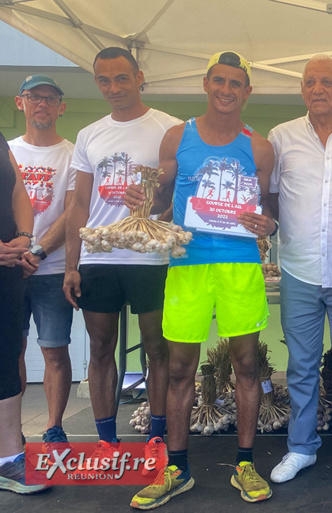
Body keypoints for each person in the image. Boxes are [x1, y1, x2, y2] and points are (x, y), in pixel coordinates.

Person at [127, 51, 276, 509]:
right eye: (219, 81)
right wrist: (142, 201)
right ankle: (177, 468)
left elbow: (269, 212)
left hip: (239, 265)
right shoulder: (178, 136)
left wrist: (268, 226)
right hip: (186, 265)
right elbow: (161, 202)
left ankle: (246, 463)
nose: (226, 90)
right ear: (206, 83)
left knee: (247, 364)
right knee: (177, 368)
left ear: (247, 92)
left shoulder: (259, 147)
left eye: (236, 83)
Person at [267, 55, 332, 488]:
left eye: (326, 82)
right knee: (301, 365)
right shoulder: (281, 138)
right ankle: (301, 447)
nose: (317, 89)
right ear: (302, 89)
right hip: (299, 269)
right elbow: (271, 197)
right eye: (309, 82)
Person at [63, 48, 176, 459]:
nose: (114, 88)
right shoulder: (89, 135)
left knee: (156, 347)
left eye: (122, 78)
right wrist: (71, 265)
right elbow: (78, 204)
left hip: (149, 255)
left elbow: (177, 195)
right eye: (104, 80)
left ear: (139, 77)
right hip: (99, 255)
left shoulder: (168, 128)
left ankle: (157, 435)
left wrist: (157, 210)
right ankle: (106, 439)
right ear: (97, 82)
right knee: (100, 348)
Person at [10, 74, 75, 447]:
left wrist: (37, 251)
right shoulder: (9, 152)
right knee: (11, 349)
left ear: (61, 107)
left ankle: (54, 428)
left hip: (51, 269)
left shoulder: (70, 153)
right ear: (21, 102)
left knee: (54, 349)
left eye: (50, 98)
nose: (42, 104)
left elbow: (71, 212)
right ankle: (11, 430)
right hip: (8, 270)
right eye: (34, 97)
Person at [0, 131, 46, 494]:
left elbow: (18, 190)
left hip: (7, 267)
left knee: (6, 353)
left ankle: (9, 459)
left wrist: (25, 236)